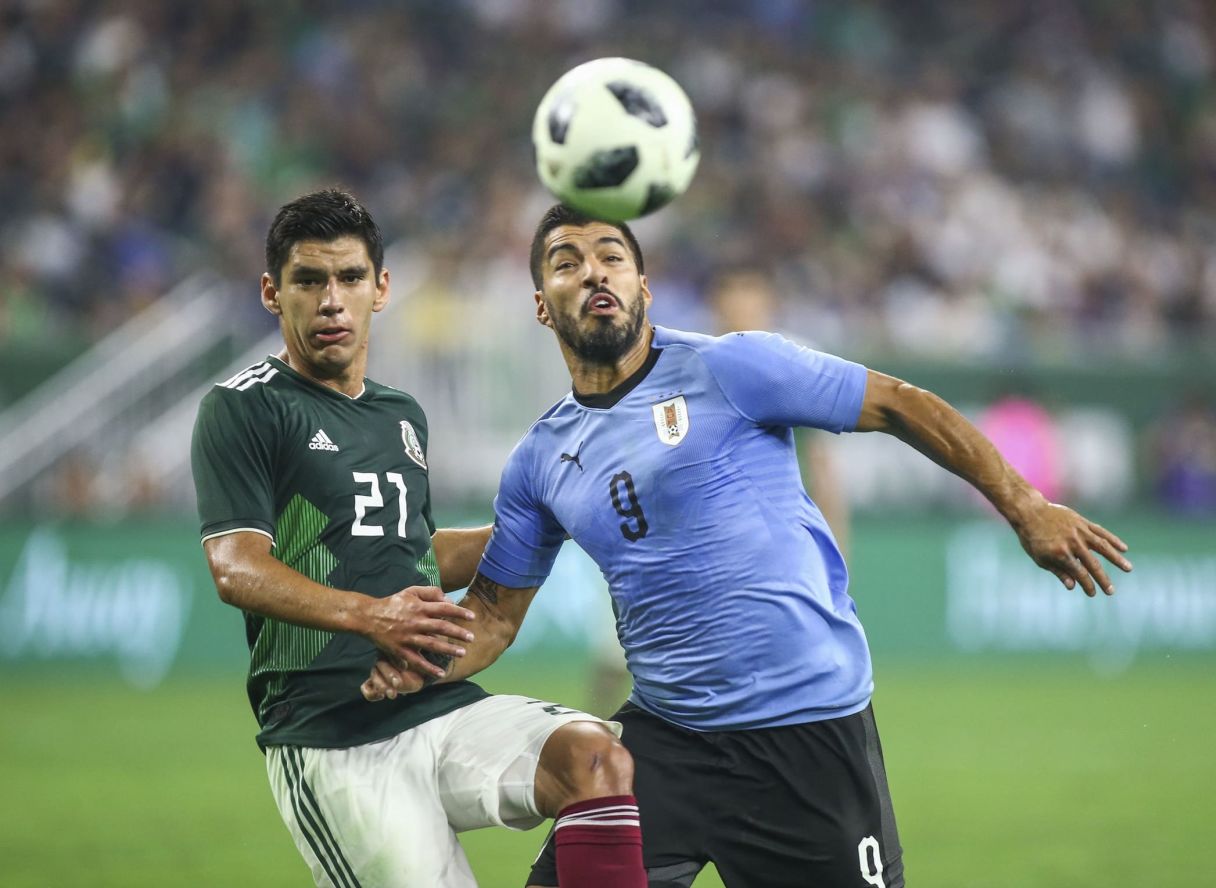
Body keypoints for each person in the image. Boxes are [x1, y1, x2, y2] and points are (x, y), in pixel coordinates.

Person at [362, 204, 1133, 888]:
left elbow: (901, 404)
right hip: (668, 743)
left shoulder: (731, 366)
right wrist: (406, 669)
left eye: (611, 257)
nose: (593, 272)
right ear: (540, 303)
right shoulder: (540, 460)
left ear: (643, 285)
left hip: (806, 735)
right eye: (567, 262)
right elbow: (493, 618)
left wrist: (1025, 506)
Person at [190, 190, 647, 888]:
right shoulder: (244, 408)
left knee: (596, 760)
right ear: (271, 293)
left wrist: (551, 515)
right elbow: (236, 568)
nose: (332, 301)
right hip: (331, 735)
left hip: (437, 703)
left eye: (349, 277)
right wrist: (373, 616)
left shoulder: (399, 415)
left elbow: (412, 552)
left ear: (381, 288)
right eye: (308, 280)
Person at [586, 266, 851, 716]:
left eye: (751, 293)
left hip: (771, 542)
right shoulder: (679, 363)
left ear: (768, 301)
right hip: (675, 541)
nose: (742, 305)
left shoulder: (794, 362)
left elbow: (822, 468)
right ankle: (597, 733)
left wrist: (836, 549)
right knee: (615, 654)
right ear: (715, 304)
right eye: (732, 294)